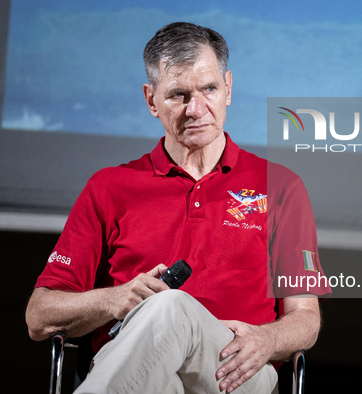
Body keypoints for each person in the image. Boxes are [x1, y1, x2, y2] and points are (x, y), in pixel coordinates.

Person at [25, 22, 331, 393]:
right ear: (151, 100)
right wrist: (114, 299)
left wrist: (267, 339)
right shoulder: (109, 187)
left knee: (170, 306)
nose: (196, 108)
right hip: (133, 367)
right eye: (179, 95)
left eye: (209, 89)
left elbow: (305, 320)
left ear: (229, 88)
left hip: (235, 372)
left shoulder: (281, 187)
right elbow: (39, 316)